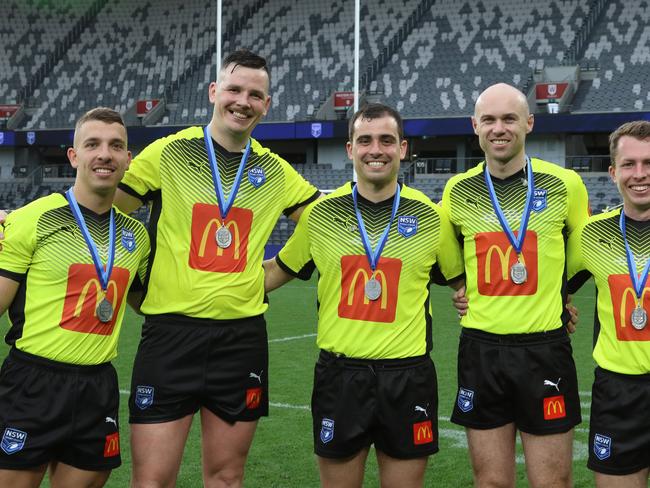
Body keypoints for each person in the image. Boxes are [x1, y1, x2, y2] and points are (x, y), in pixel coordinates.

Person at [112, 49, 320, 487]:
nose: (242, 101)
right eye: (234, 89)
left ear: (267, 104)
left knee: (226, 477)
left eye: (255, 94)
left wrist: (277, 271)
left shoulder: (276, 172)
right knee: (152, 479)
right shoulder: (168, 153)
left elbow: (327, 222)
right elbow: (104, 210)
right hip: (170, 336)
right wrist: (133, 286)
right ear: (213, 92)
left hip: (240, 339)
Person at [263, 103, 464, 488]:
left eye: (387, 140)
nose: (376, 149)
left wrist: (560, 303)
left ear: (402, 149)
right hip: (341, 378)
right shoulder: (321, 215)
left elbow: (464, 283)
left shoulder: (430, 217)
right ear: (350, 149)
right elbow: (275, 272)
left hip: (408, 378)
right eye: (366, 140)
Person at [441, 83, 590, 487]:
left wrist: (563, 296)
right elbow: (442, 254)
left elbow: (584, 251)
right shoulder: (457, 191)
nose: (499, 128)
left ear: (529, 122)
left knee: (553, 482)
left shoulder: (566, 184)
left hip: (545, 349)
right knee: (490, 482)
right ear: (475, 126)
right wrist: (461, 287)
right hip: (481, 350)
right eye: (488, 119)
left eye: (509, 118)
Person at [0, 108, 149, 488]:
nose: (105, 154)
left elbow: (147, 303)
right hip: (32, 383)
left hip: (97, 388)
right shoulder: (33, 219)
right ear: (73, 156)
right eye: (93, 144)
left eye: (116, 146)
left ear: (128, 159)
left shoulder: (137, 236)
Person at [567, 121, 650, 487]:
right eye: (629, 164)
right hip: (618, 394)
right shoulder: (592, 234)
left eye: (649, 164)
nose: (640, 174)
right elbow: (551, 285)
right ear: (613, 171)